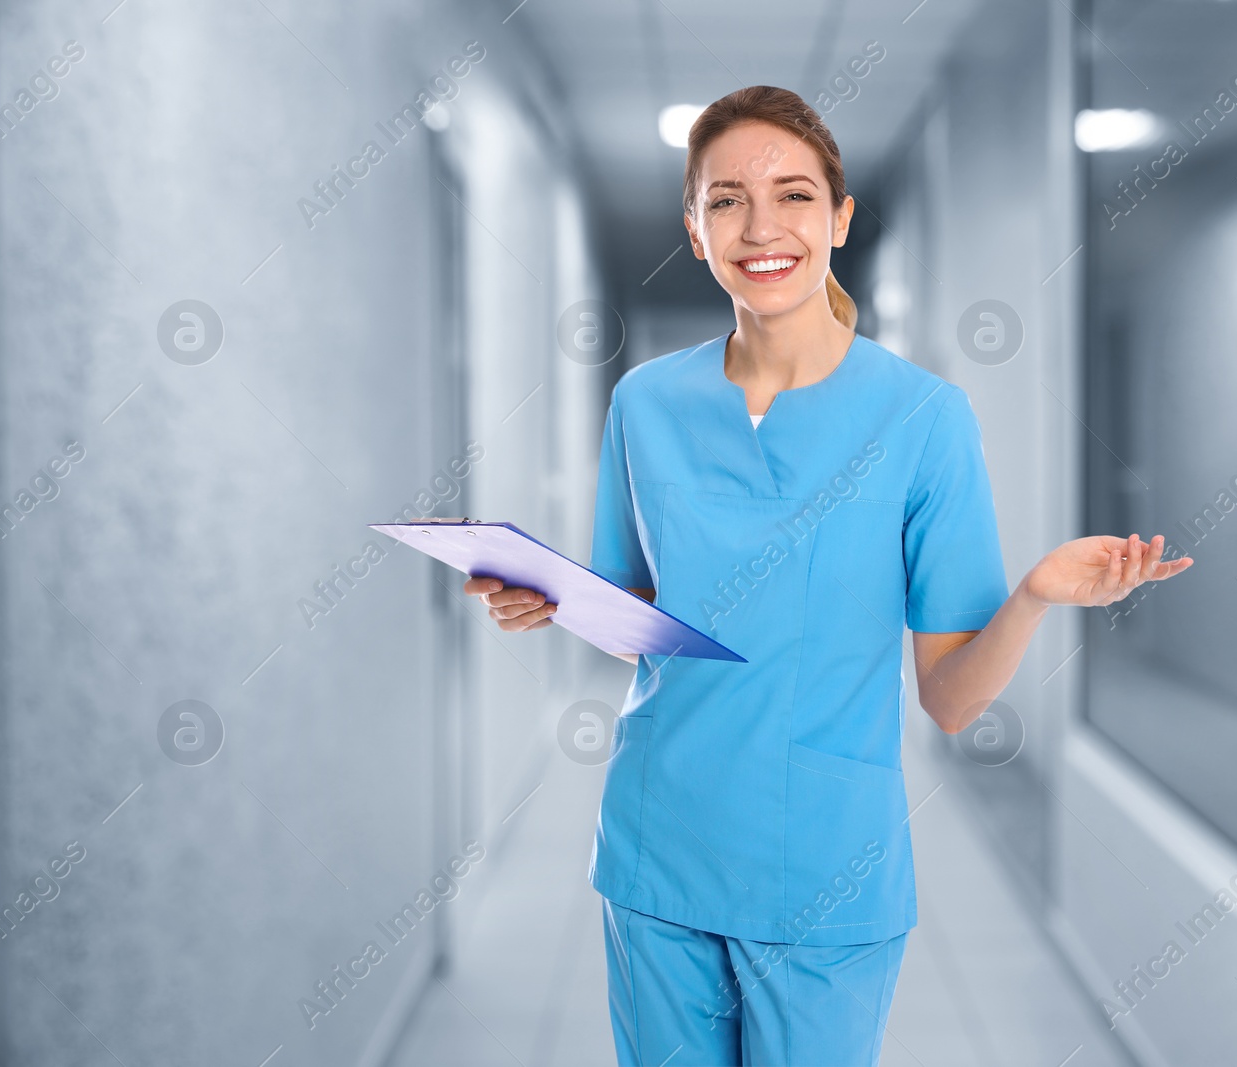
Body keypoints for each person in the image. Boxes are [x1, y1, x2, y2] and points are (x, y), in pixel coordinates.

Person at [465, 85, 1193, 1067]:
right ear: (693, 227)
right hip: (657, 842)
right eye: (725, 199)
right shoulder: (645, 402)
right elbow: (634, 606)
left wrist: (1031, 597)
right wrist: (551, 599)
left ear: (838, 219)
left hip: (823, 868)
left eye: (794, 195)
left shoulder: (923, 418)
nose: (761, 226)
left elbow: (947, 698)